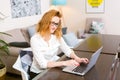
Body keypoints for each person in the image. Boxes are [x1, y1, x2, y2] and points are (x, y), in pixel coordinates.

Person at [29, 9, 89, 79]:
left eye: (56, 24)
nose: (54, 26)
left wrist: (77, 58)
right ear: (45, 22)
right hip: (39, 73)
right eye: (52, 23)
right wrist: (64, 63)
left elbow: (67, 50)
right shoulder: (35, 39)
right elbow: (43, 64)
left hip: (52, 69)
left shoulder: (57, 36)